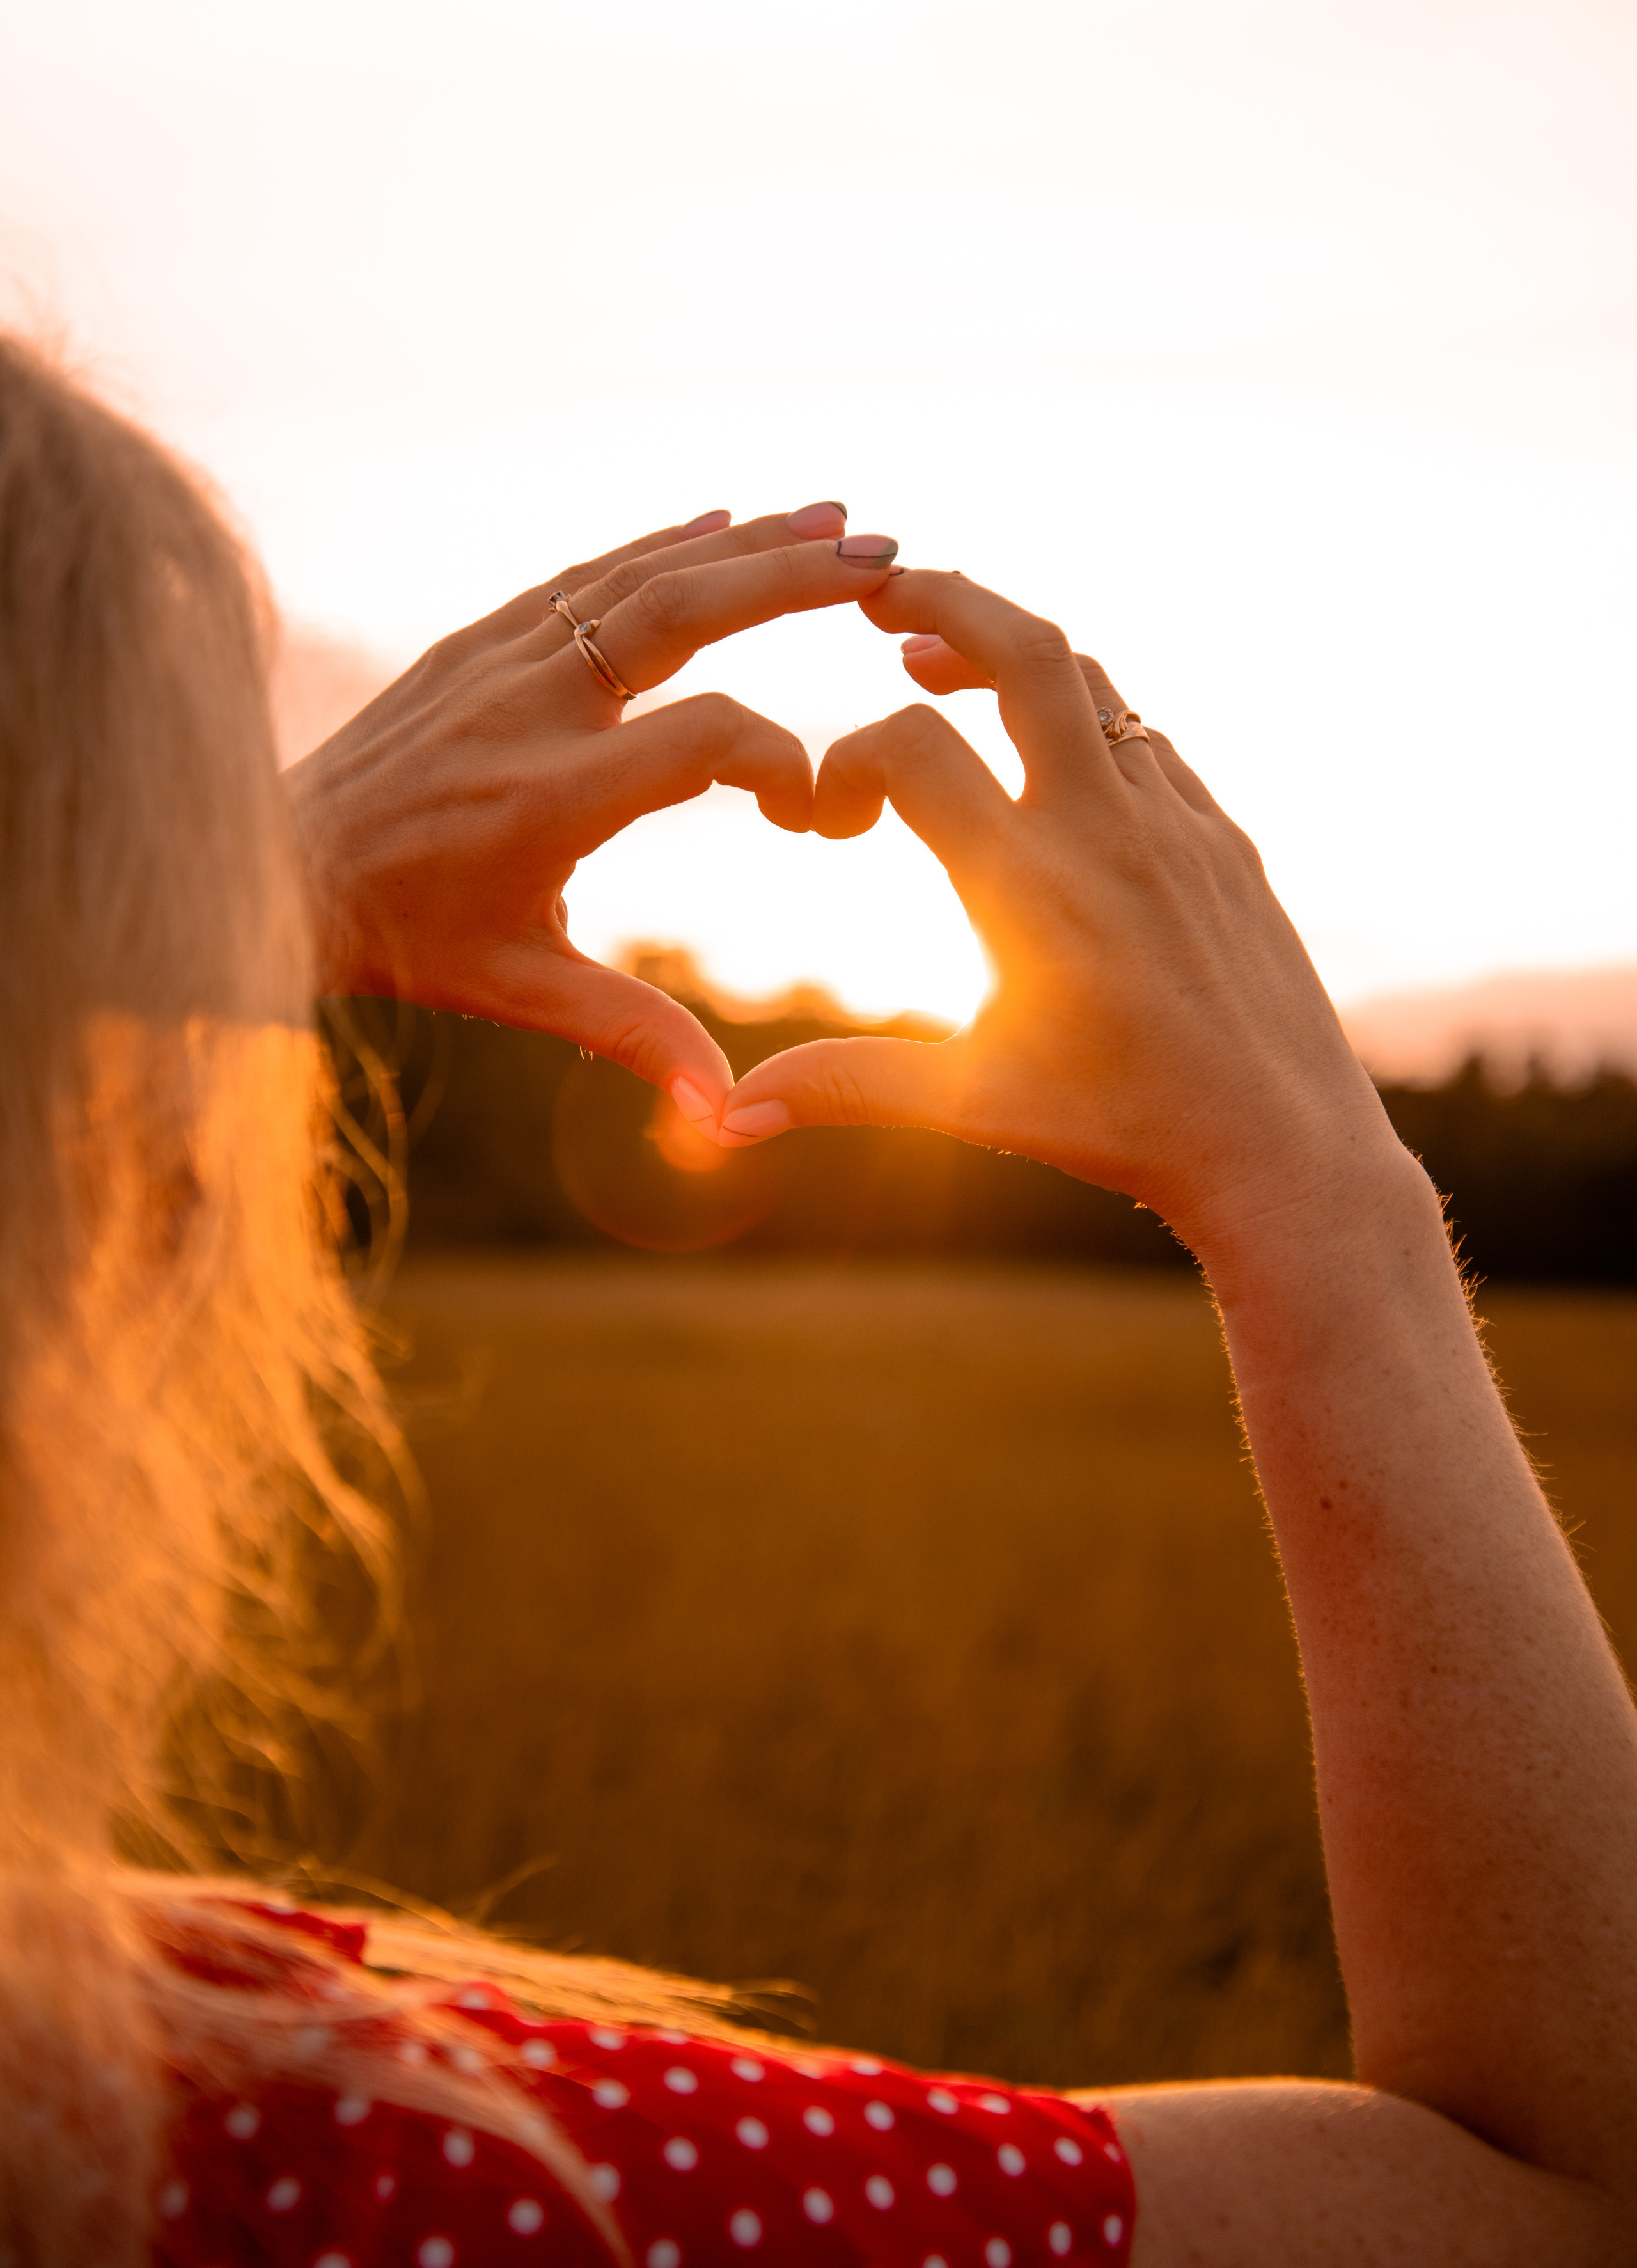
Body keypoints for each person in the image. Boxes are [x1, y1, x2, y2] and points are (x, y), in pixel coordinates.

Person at [0, 332, 1632, 2268]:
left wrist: (171, 923)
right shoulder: (292, 2157)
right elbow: (1571, 2186)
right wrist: (1326, 1197)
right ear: (122, 1206)